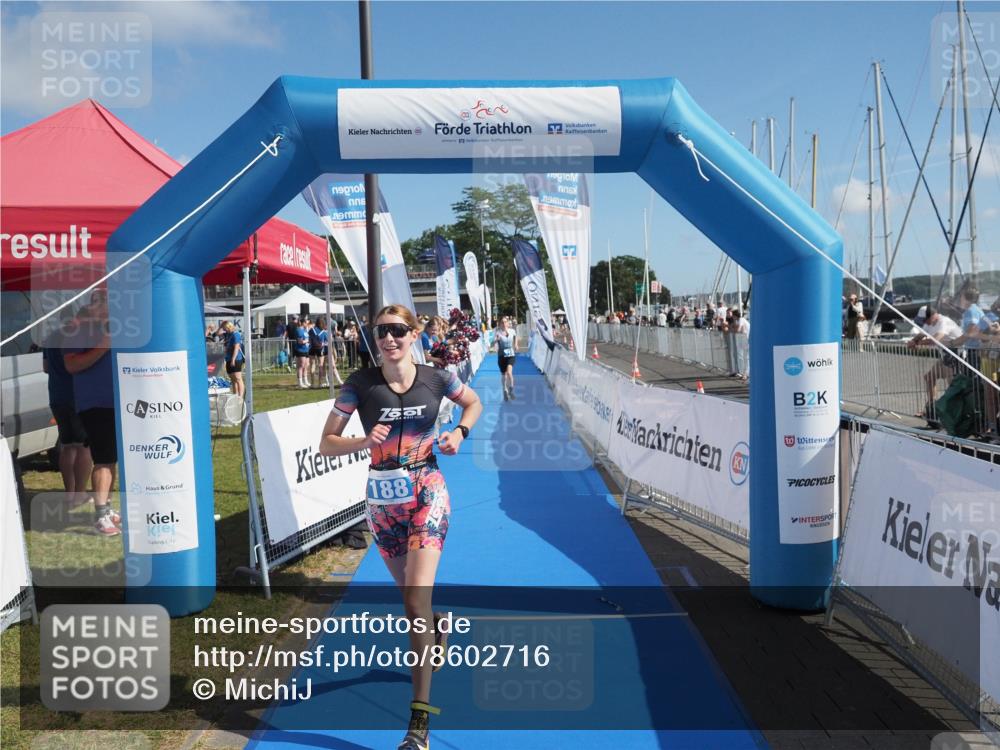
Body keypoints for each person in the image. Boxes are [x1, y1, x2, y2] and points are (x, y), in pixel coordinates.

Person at [319, 305, 482, 750]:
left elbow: (473, 402)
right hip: (383, 504)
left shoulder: (437, 377)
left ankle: (418, 723)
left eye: (397, 331)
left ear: (414, 334)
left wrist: (461, 433)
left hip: (427, 490)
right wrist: (360, 440)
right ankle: (437, 624)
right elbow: (326, 441)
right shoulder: (360, 384)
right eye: (381, 332)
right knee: (414, 605)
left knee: (414, 599)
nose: (388, 339)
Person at [63, 291, 121, 536]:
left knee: (111, 458)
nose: (108, 305)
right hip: (95, 403)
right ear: (91, 305)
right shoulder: (77, 329)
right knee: (104, 458)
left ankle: (106, 509)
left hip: (118, 402)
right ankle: (99, 515)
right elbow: (72, 365)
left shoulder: (116, 327)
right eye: (102, 301)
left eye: (110, 300)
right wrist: (103, 346)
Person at [43, 312, 93, 507]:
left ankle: (69, 493)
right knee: (83, 447)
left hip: (57, 396)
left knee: (67, 445)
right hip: (78, 397)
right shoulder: (80, 336)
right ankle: (80, 494)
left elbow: (46, 367)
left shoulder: (51, 337)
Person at [907, 306, 963, 420]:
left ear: (932, 315)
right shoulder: (929, 323)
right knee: (929, 377)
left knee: (953, 386)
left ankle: (957, 414)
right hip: (946, 357)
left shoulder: (944, 322)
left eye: (925, 320)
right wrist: (914, 340)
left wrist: (917, 344)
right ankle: (932, 407)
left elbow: (936, 339)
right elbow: (921, 334)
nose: (924, 322)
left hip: (957, 356)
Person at [495, 316, 517, 400]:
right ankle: (504, 390)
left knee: (509, 373)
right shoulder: (498, 333)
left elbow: (515, 337)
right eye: (502, 322)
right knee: (503, 375)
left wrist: (515, 344)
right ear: (500, 324)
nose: (504, 324)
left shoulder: (512, 331)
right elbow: (494, 343)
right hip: (501, 356)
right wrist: (496, 341)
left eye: (505, 322)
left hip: (510, 355)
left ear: (508, 323)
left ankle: (511, 389)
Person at [222, 321, 246, 397]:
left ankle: (240, 397)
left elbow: (236, 347)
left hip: (236, 359)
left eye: (225, 328)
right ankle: (235, 396)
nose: (224, 330)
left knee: (238, 378)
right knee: (233, 379)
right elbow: (217, 333)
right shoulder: (228, 335)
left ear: (229, 327)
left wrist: (233, 359)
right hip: (228, 359)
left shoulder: (236, 334)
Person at [293, 317, 311, 388]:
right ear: (302, 323)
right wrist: (307, 341)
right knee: (301, 366)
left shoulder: (304, 330)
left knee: (306, 366)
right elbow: (300, 341)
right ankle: (300, 382)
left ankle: (305, 380)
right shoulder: (298, 330)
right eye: (306, 322)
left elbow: (307, 338)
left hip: (306, 350)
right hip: (300, 350)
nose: (307, 324)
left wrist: (307, 341)